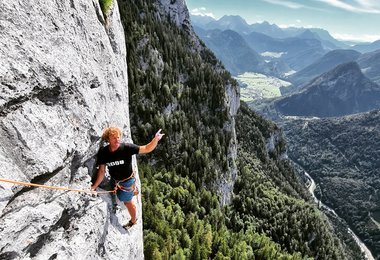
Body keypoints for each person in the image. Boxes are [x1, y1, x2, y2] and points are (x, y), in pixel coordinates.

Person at [91, 127, 164, 228]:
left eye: (118, 137)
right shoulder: (104, 152)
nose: (117, 140)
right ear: (108, 139)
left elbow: (146, 148)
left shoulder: (126, 148)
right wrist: (94, 187)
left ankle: (133, 220)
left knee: (127, 202)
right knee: (120, 196)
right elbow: (102, 171)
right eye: (113, 138)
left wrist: (155, 139)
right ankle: (132, 192)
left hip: (127, 181)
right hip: (116, 180)